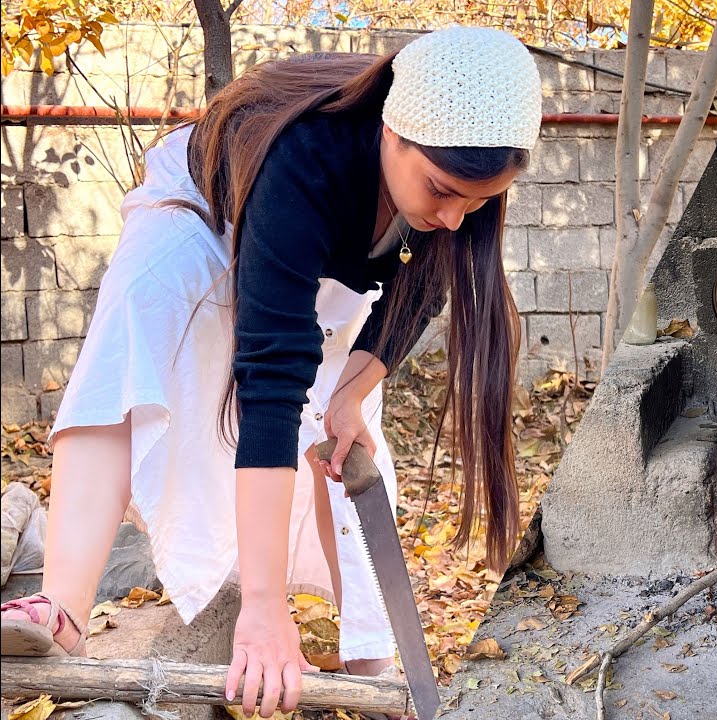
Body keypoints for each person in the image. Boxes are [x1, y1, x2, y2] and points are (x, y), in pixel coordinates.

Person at [0, 26, 541, 715]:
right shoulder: (304, 158)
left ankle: (375, 660)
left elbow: (416, 294)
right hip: (201, 212)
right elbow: (271, 386)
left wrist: (349, 397)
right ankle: (64, 609)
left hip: (317, 246)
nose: (457, 218)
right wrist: (263, 610)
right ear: (391, 132)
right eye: (443, 190)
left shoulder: (450, 194)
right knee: (134, 336)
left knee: (347, 436)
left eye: (479, 200)